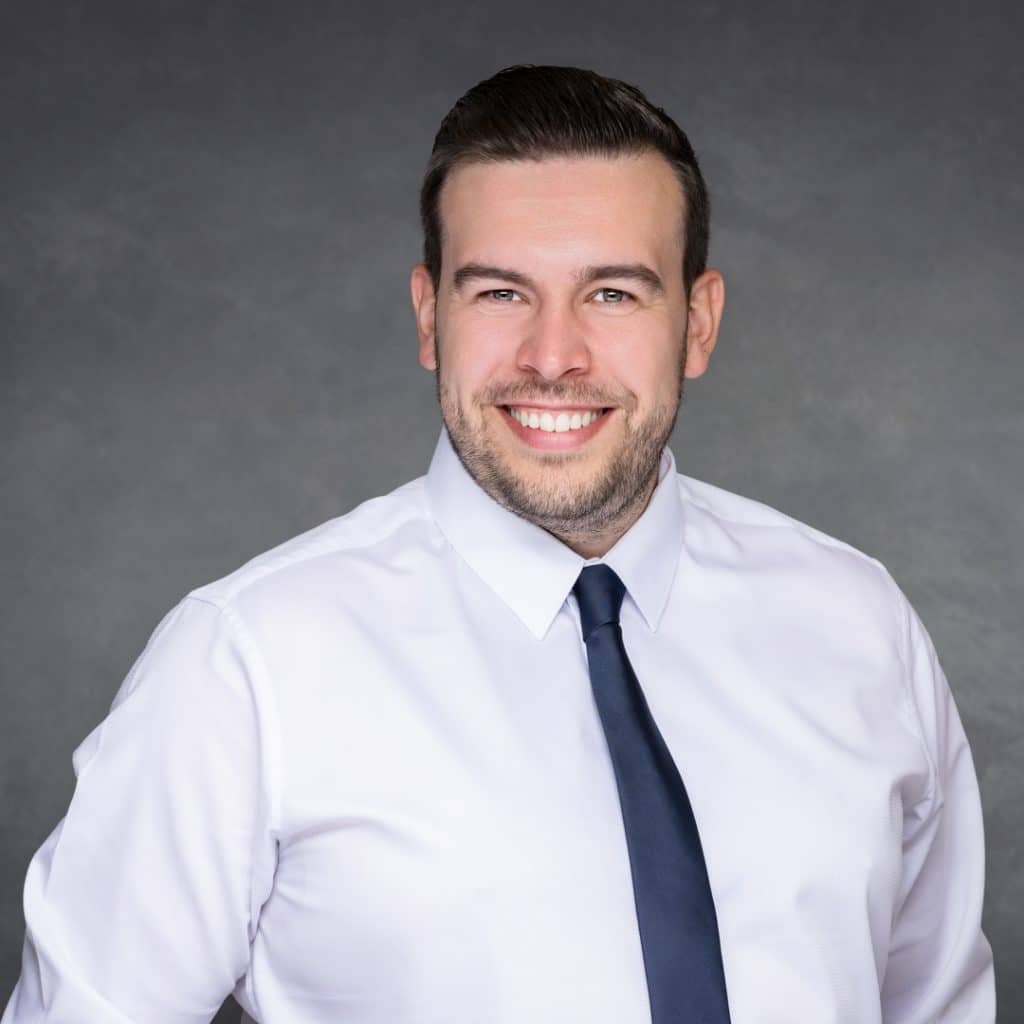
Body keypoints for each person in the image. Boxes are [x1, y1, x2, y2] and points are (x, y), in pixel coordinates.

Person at [3, 65, 995, 1023]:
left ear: (696, 323)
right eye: (499, 293)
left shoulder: (858, 625)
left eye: (611, 293)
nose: (552, 355)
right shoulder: (246, 666)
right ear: (430, 316)